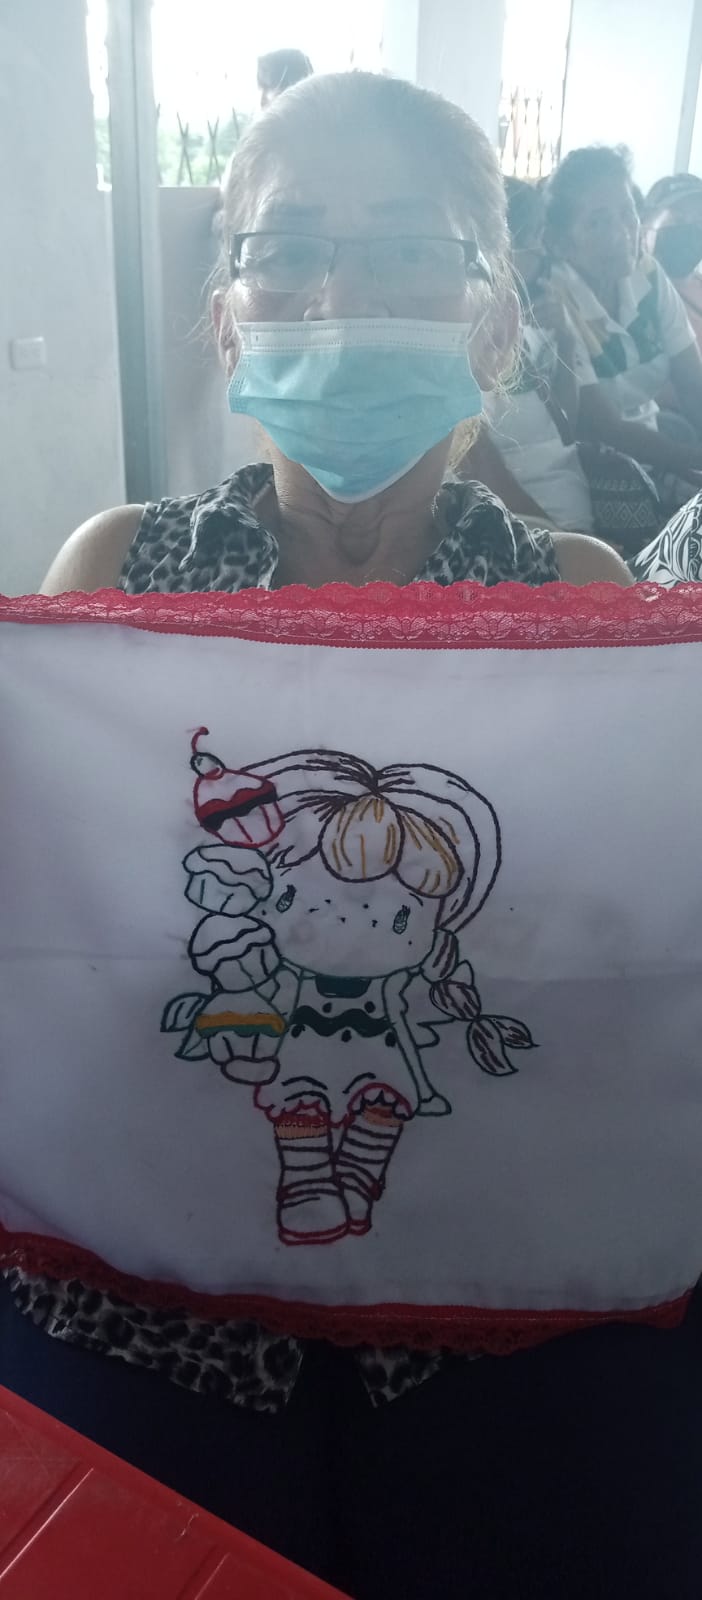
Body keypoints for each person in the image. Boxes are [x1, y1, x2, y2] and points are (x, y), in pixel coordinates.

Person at [17, 72, 687, 1600]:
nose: (340, 293)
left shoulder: (582, 607)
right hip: (158, 1282)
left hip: (501, 1277)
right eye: (289, 249)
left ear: (495, 323)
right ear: (226, 319)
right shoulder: (115, 579)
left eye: (404, 249)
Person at [467, 177, 662, 551]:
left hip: (578, 520)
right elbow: (479, 468)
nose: (544, 252)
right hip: (529, 537)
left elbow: (565, 426)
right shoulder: (473, 338)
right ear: (500, 249)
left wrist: (567, 341)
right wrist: (566, 546)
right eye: (534, 239)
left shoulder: (530, 323)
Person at [545, 145, 702, 510]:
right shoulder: (555, 300)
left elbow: (692, 383)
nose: (621, 232)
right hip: (595, 464)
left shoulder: (647, 275)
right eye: (597, 222)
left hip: (654, 442)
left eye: (626, 212)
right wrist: (693, 460)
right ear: (562, 242)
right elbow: (604, 427)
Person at [643, 173, 702, 354]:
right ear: (645, 221)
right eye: (678, 219)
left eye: (699, 222)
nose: (690, 230)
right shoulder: (633, 295)